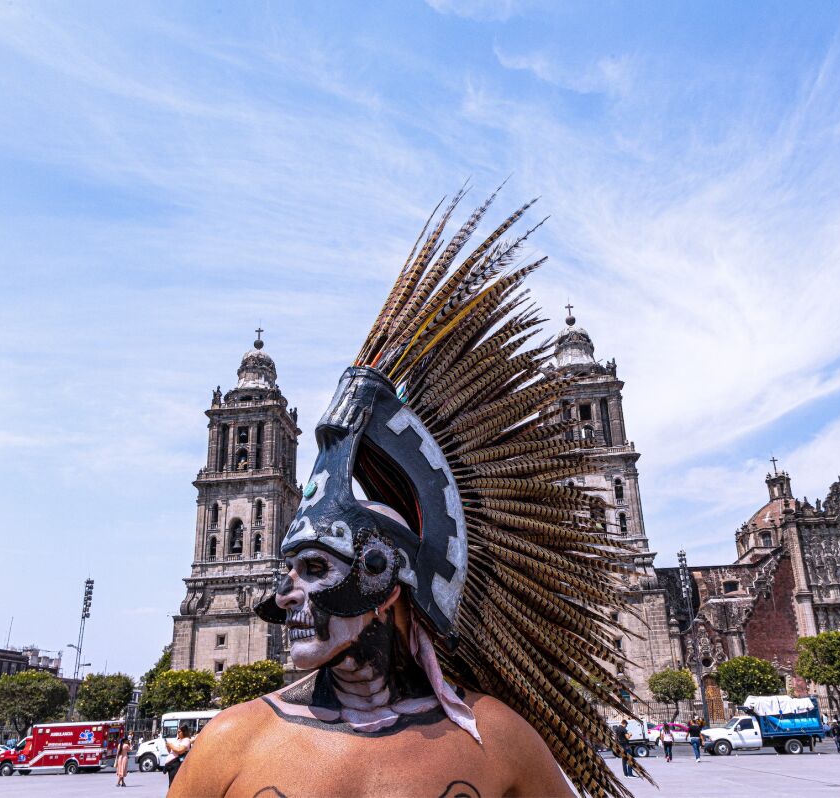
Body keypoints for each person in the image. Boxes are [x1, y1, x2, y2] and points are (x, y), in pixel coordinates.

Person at [166, 193, 649, 798]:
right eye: (290, 568)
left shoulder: (500, 741)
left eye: (314, 568)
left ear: (385, 578)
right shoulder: (227, 744)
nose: (281, 595)